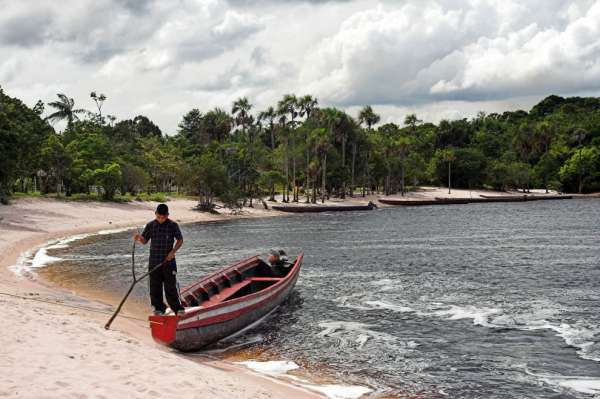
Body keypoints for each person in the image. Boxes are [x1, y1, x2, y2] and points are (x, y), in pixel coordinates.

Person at [133, 203, 185, 316]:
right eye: (158, 217)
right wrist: (139, 238)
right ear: (155, 214)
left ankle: (177, 309)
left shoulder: (173, 225)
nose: (161, 219)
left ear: (167, 215)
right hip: (154, 262)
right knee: (155, 287)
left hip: (169, 262)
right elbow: (144, 241)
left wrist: (173, 252)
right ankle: (159, 308)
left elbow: (180, 240)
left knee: (170, 286)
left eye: (163, 217)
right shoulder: (150, 225)